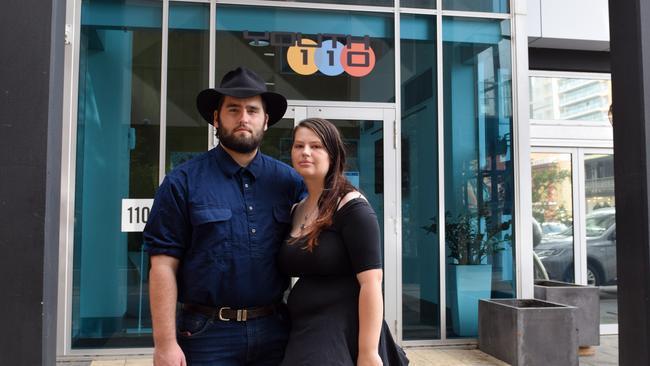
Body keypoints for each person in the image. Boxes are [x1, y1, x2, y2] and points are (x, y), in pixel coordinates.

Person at [143, 67, 304, 366]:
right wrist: (164, 343)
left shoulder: (289, 183)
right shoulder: (183, 182)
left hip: (275, 329)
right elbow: (162, 265)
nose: (243, 118)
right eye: (233, 109)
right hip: (206, 335)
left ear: (266, 121)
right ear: (216, 119)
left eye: (253, 110)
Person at [278, 118, 409, 366]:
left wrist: (368, 352)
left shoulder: (352, 207)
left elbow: (371, 283)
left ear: (333, 154)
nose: (305, 152)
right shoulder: (297, 209)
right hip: (302, 328)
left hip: (339, 330)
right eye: (298, 145)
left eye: (316, 146)